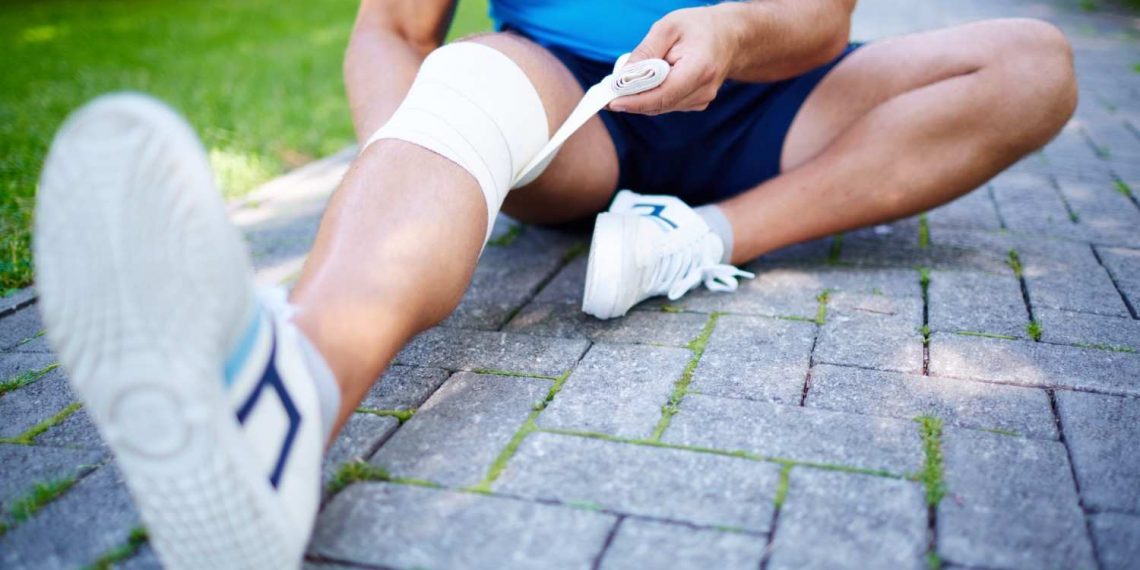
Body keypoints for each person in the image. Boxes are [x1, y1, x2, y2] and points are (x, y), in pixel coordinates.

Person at [33, 0, 1076, 567]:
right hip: (570, 100)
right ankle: (288, 398)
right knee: (462, 87)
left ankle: (698, 236)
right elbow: (393, 30)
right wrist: (424, 174)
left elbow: (819, 12)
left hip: (773, 97)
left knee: (1033, 63)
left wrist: (732, 32)